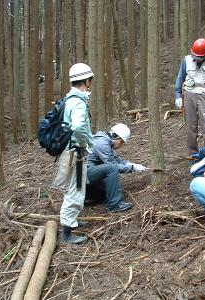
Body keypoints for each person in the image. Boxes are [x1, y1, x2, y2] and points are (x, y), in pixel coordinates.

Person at [55, 63, 94, 244]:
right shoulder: (78, 102)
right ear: (86, 81)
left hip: (69, 151)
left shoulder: (69, 99)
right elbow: (78, 126)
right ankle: (67, 233)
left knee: (73, 188)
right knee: (76, 191)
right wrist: (84, 141)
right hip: (76, 153)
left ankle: (72, 221)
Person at [86, 124, 146, 212]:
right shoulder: (102, 143)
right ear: (116, 137)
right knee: (112, 168)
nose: (120, 145)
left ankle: (91, 197)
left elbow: (118, 160)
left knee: (108, 188)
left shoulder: (105, 142)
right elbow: (113, 164)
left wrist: (131, 164)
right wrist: (132, 168)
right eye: (121, 142)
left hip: (85, 176)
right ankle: (115, 204)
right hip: (84, 175)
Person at [175, 38, 205, 155]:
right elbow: (180, 77)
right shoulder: (186, 60)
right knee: (191, 127)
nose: (197, 60)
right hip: (189, 95)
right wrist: (178, 95)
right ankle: (193, 154)